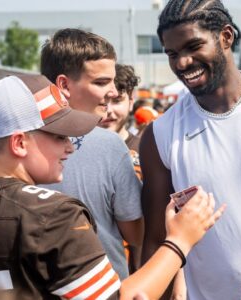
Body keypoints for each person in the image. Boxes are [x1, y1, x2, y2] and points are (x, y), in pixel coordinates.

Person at [0, 74, 225, 299]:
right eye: (60, 136)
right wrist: (180, 240)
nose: (70, 147)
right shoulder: (54, 215)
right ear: (19, 143)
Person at [140, 0, 241, 299]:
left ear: (226, 37)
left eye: (193, 47)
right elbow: (156, 243)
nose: (182, 63)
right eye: (172, 54)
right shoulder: (160, 134)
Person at [40, 28, 144, 281]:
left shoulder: (20, 141)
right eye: (101, 82)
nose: (111, 91)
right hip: (103, 287)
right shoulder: (109, 145)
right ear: (64, 84)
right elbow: (136, 234)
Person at [100, 63, 142, 273]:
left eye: (117, 101)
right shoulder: (76, 150)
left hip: (144, 268)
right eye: (103, 101)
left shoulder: (148, 147)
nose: (108, 111)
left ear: (131, 102)